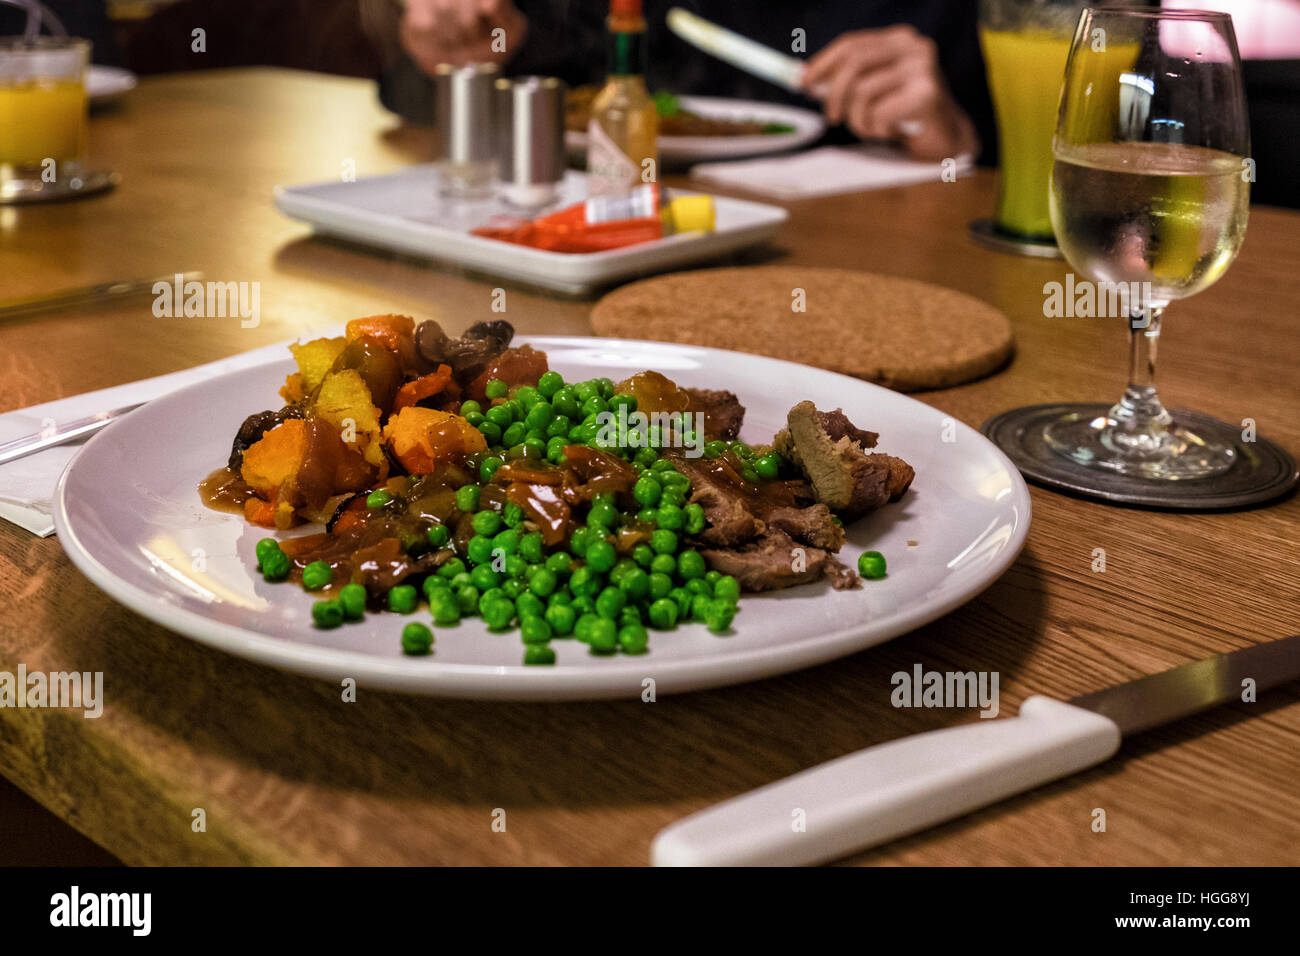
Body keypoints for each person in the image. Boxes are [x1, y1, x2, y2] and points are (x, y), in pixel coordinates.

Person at [362, 0, 994, 163]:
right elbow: (408, 97)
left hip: (865, 258)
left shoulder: (941, 15)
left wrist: (957, 138)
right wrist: (438, 29)